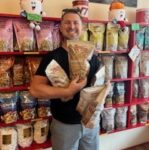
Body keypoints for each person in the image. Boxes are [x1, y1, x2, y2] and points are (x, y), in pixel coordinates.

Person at [30, 8, 100, 150]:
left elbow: (98, 82)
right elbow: (35, 89)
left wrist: (105, 87)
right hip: (65, 125)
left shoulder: (92, 55)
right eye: (67, 23)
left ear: (82, 27)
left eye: (76, 23)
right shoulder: (53, 57)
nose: (72, 26)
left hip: (91, 122)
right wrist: (67, 91)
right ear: (61, 28)